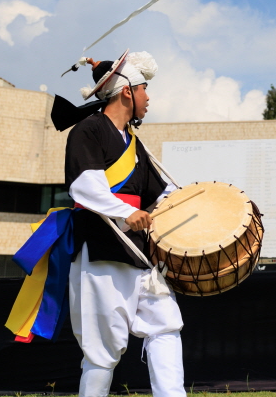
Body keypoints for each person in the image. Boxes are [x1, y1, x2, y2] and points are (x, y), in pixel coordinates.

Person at [65, 51, 185, 397]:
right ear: (127, 92)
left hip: (139, 254)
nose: (149, 97)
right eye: (145, 89)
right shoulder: (87, 131)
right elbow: (84, 185)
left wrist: (197, 205)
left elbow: (161, 194)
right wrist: (125, 211)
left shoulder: (134, 144)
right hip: (101, 251)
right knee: (102, 352)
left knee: (165, 326)